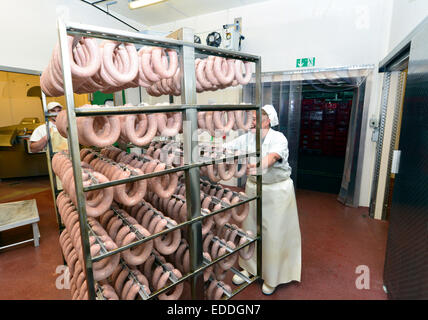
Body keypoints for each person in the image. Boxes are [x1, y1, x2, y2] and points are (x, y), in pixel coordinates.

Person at [225, 104, 302, 295]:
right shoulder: (248, 138)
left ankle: (272, 276)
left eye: (254, 117)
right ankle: (249, 269)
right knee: (249, 229)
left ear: (267, 120)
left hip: (276, 192)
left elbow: (273, 157)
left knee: (274, 234)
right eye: (251, 117)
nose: (251, 120)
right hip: (253, 189)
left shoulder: (279, 138)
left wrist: (259, 165)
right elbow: (228, 148)